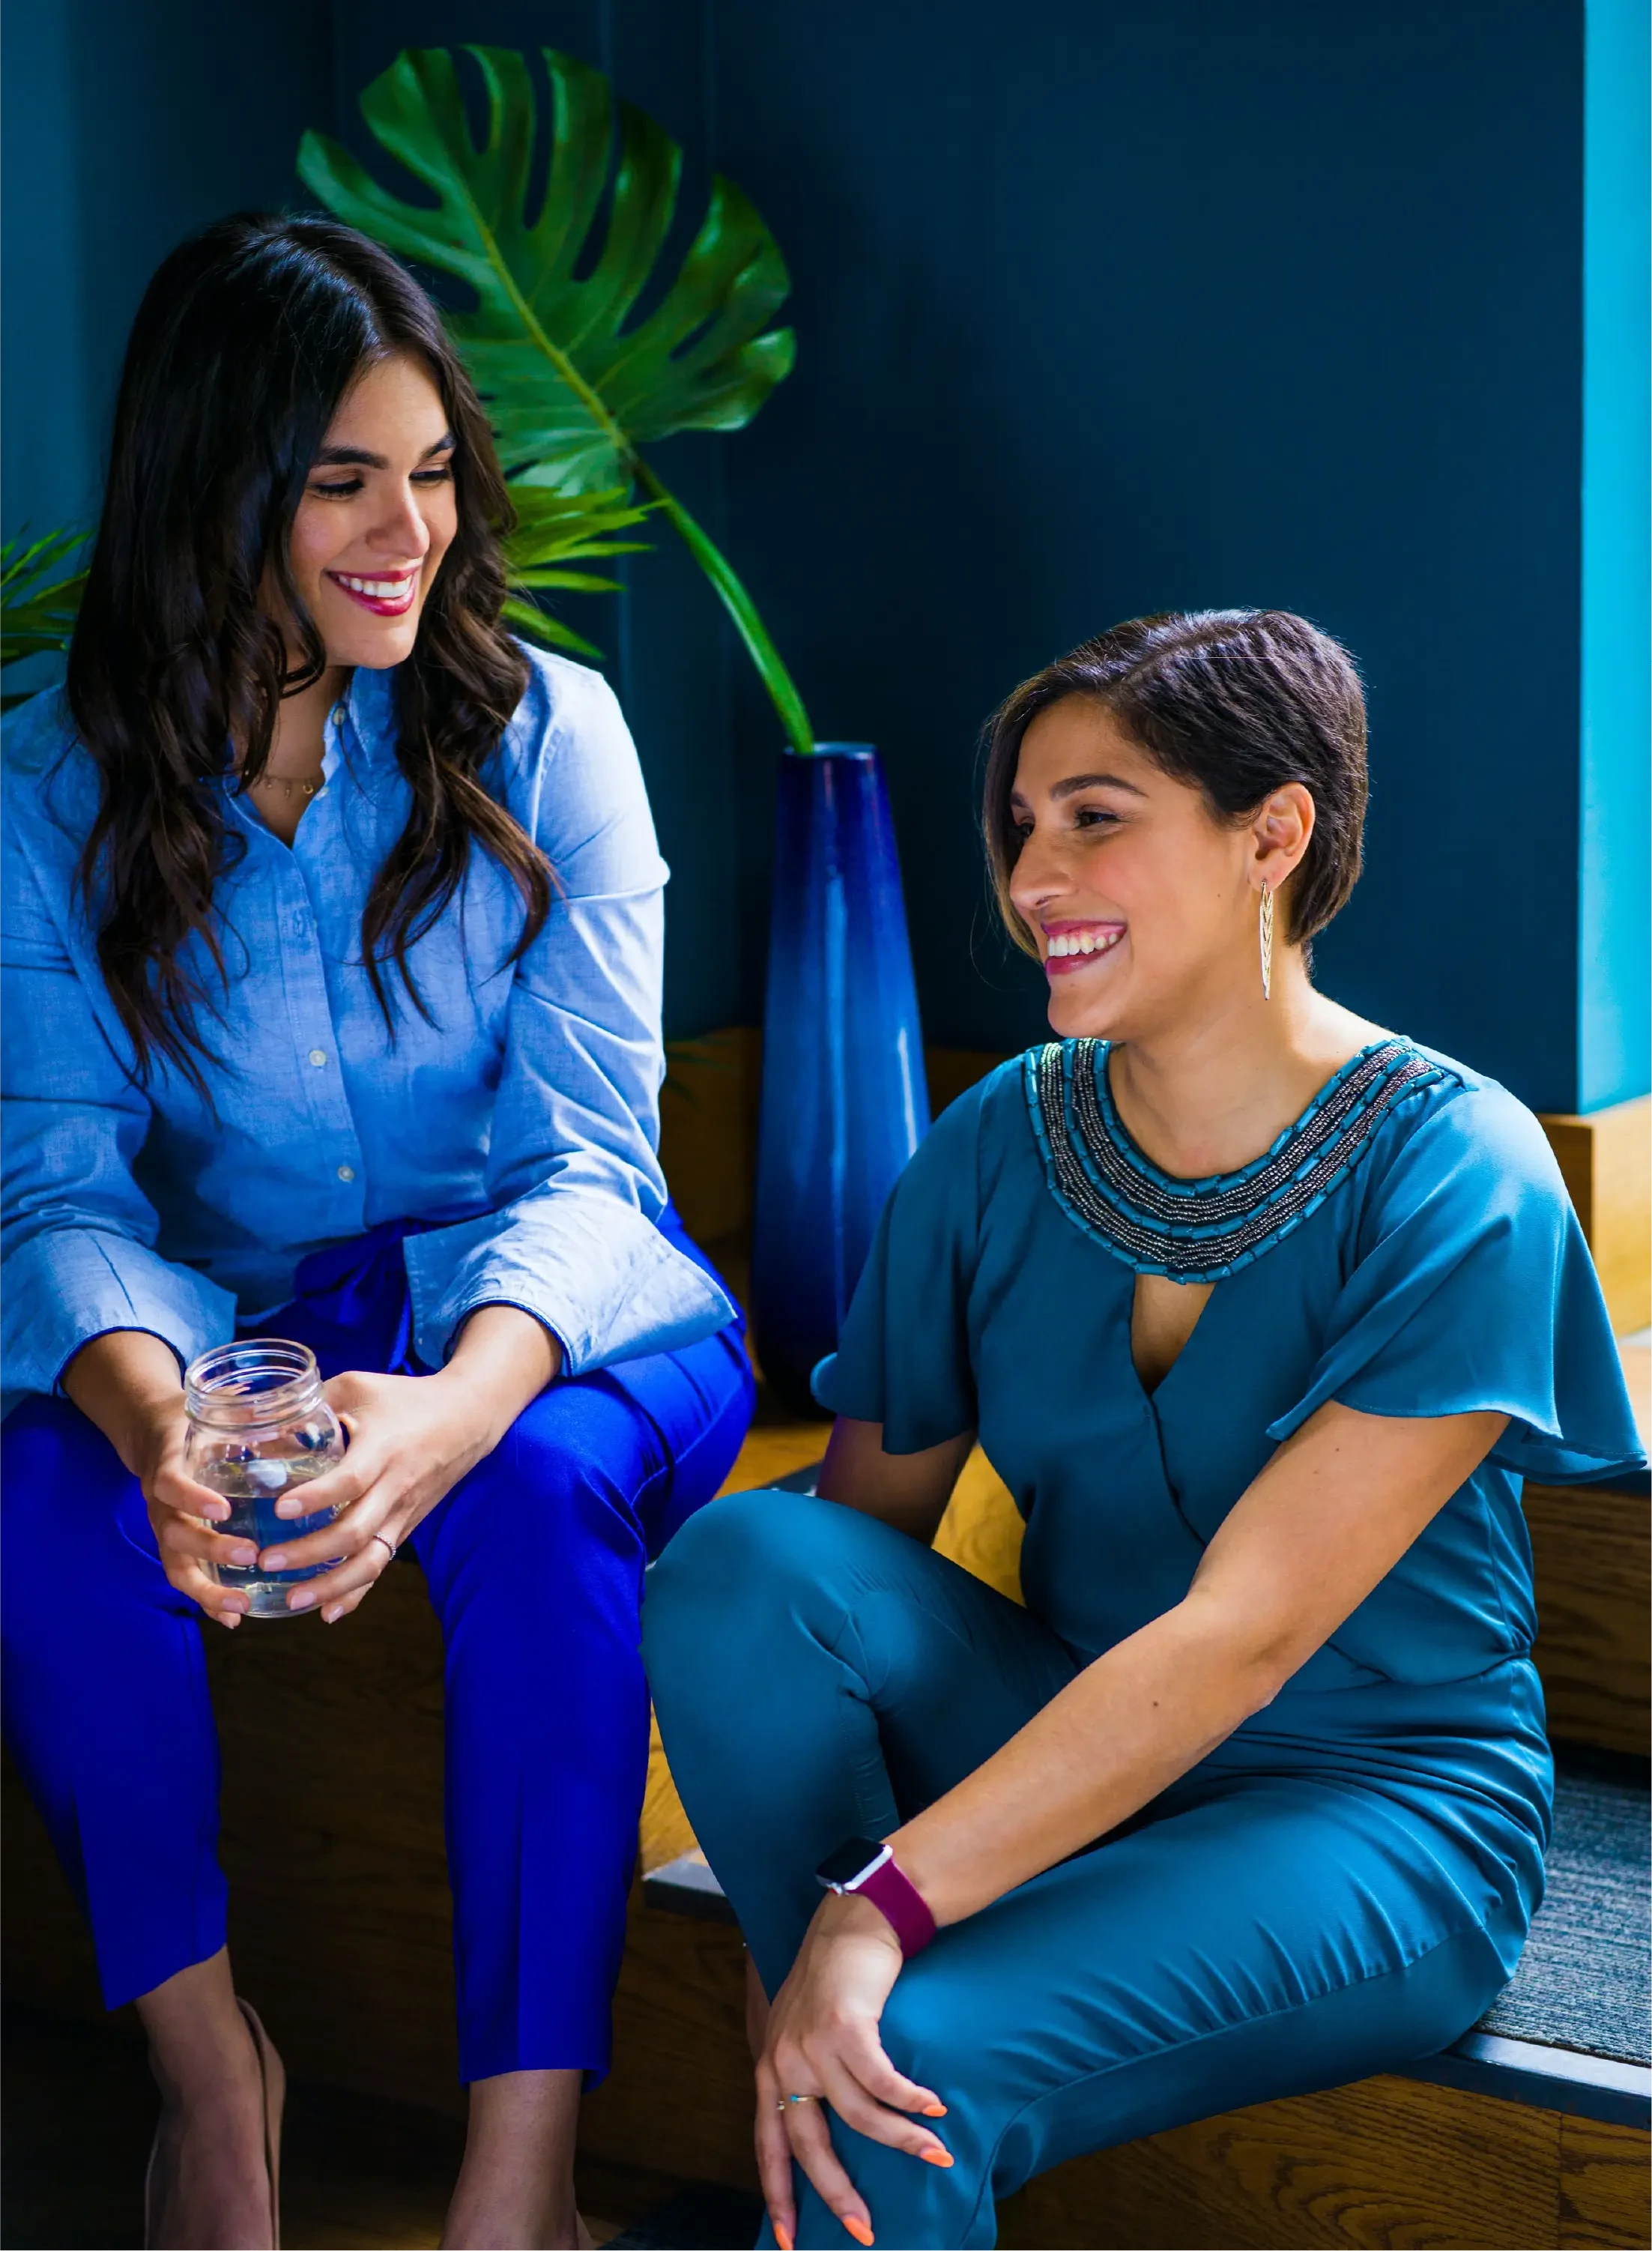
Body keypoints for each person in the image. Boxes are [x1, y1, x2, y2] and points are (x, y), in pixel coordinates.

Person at [644, 609, 1645, 2251]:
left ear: (1274, 832)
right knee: (747, 1558)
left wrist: (880, 1901)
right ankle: (831, 2071)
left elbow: (1243, 1638)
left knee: (912, 2051)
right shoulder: (991, 1145)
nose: (1033, 872)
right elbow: (848, 1564)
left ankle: (855, 2080)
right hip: (1070, 1742)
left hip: (1367, 1809)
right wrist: (855, 1898)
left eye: (1095, 815)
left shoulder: (1458, 1169)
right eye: (1020, 823)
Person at [0, 214, 753, 2251]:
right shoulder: (38, 782)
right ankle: (208, 2089)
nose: (404, 529)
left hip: (565, 1319)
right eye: (341, 480)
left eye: (430, 473)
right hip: (226, 1326)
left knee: (522, 1487)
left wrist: (438, 1412)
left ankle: (517, 2182)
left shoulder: (551, 734)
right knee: (46, 1506)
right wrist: (163, 1424)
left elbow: (597, 1165)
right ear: (210, 483)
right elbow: (59, 1182)